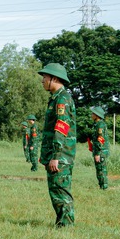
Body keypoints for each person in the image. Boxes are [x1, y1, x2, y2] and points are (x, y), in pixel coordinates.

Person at [38, 63, 77, 227]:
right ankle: (62, 223)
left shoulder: (62, 100)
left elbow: (61, 128)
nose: (42, 81)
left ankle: (66, 226)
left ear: (54, 78)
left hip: (60, 155)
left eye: (44, 78)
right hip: (56, 154)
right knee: (56, 190)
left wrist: (56, 156)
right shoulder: (57, 98)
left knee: (60, 190)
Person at [89, 106, 110, 189]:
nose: (91, 115)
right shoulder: (98, 124)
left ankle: (104, 187)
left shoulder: (100, 125)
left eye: (93, 113)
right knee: (99, 169)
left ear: (97, 115)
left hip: (101, 152)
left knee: (101, 170)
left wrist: (98, 153)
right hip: (99, 151)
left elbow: (100, 140)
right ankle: (102, 186)